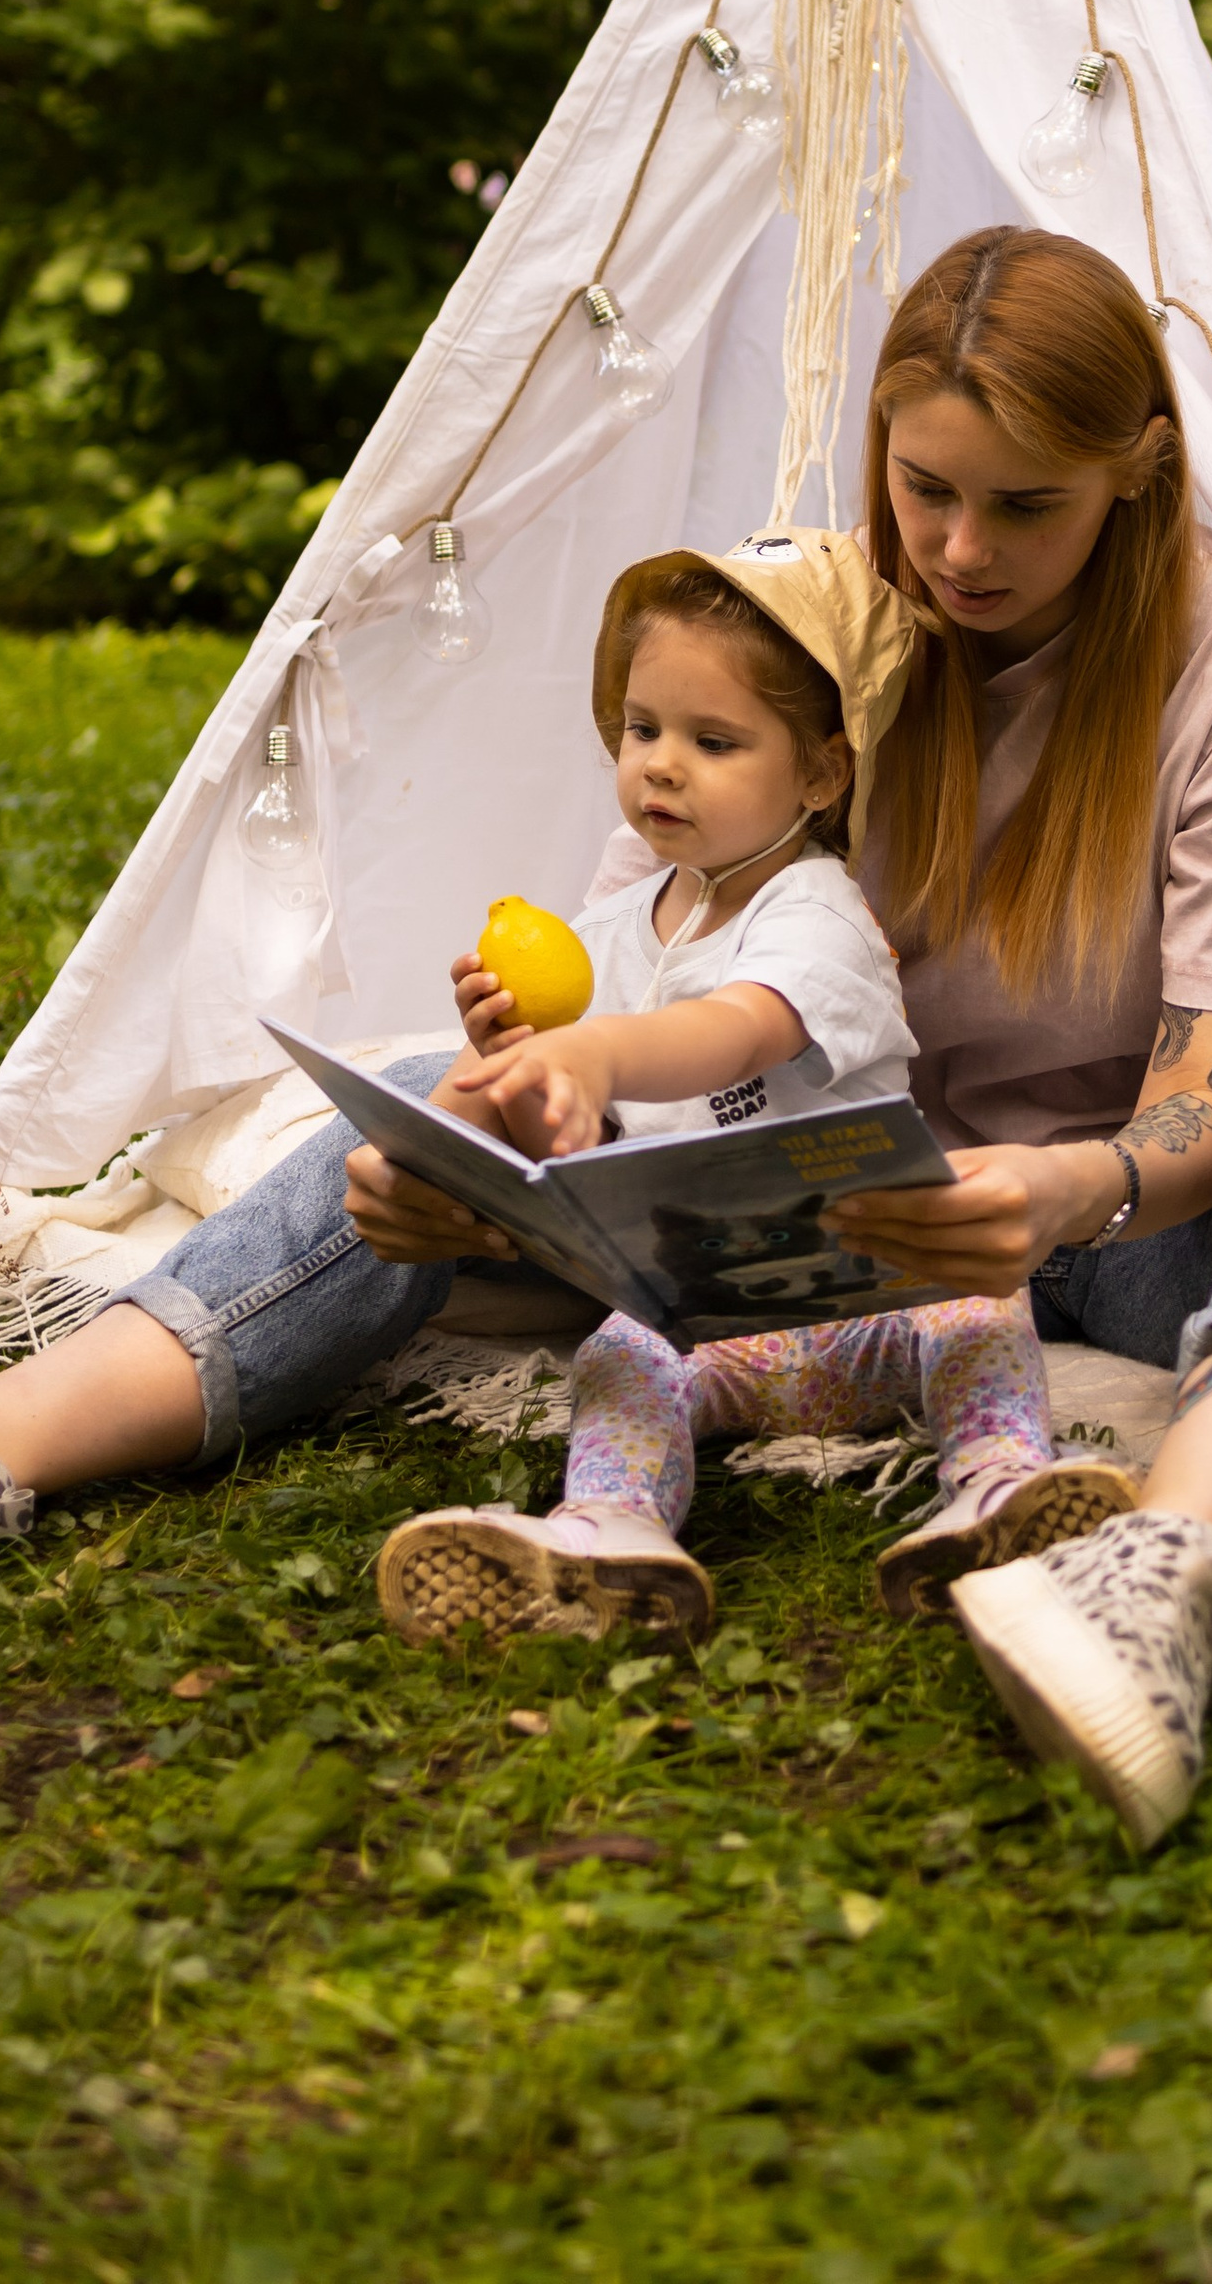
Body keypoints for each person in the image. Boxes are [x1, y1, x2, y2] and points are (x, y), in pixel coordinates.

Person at [0, 226, 1212, 1861]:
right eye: (923, 491)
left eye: (1026, 508)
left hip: (1104, 1227)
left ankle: (1158, 1573)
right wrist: (515, 1136)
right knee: (421, 1120)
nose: (964, 549)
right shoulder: (841, 644)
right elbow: (684, 977)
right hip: (825, 1205)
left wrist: (1059, 1189)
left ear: (1136, 477)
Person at [372, 535, 1131, 1644]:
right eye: (642, 731)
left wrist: (595, 1051)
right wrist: (511, 1072)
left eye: (712, 741)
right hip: (717, 1324)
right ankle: (610, 1533)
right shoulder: (602, 939)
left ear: (820, 776)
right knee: (622, 1354)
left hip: (873, 1300)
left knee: (978, 1299)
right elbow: (570, 1137)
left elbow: (734, 1033)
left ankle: (1001, 1489)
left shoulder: (816, 912)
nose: (660, 765)